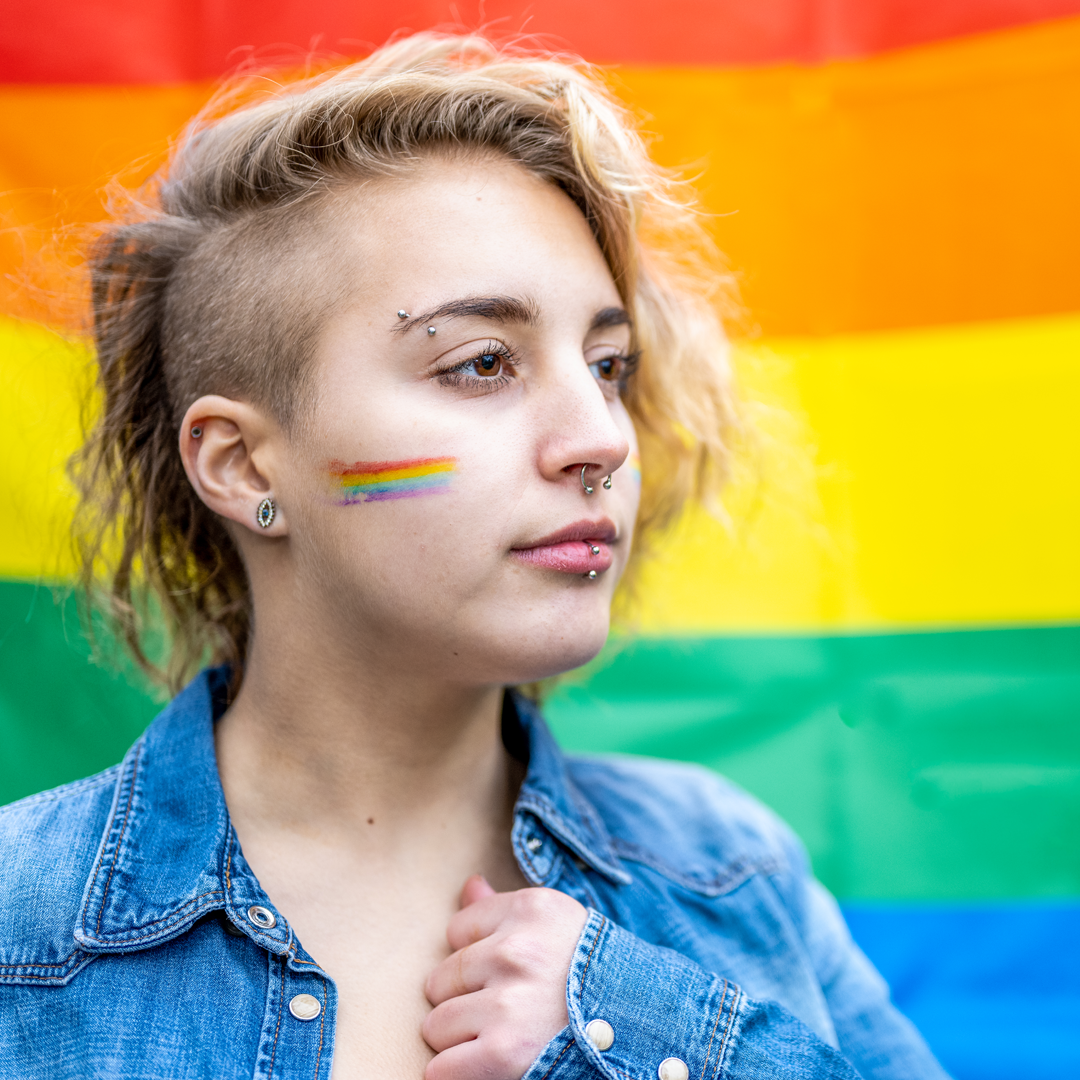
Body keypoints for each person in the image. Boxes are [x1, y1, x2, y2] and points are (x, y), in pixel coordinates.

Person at [0, 34, 949, 1080]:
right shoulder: (19, 933)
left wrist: (646, 1034)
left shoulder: (725, 872)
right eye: (482, 363)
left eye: (608, 365)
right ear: (240, 464)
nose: (601, 438)